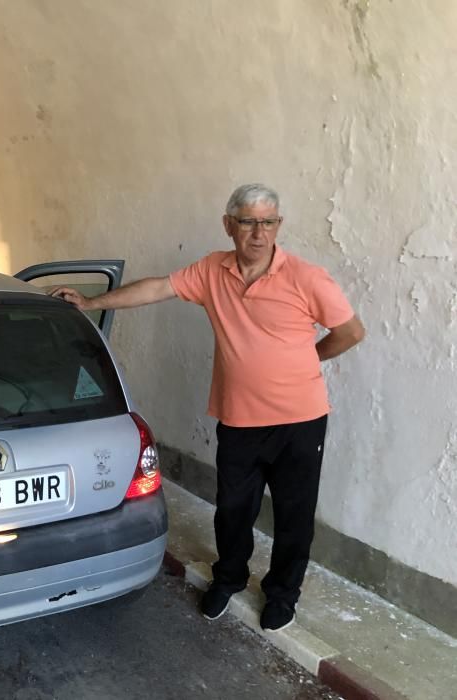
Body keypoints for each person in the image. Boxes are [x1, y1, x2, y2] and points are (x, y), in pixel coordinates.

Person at [50, 183, 365, 631]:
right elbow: (158, 288)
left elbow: (350, 332)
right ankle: (229, 577)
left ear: (279, 226)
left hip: (301, 421)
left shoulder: (307, 277)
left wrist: (305, 360)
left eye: (269, 222)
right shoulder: (213, 271)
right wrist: (92, 302)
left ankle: (282, 593)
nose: (259, 233)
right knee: (233, 508)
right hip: (238, 419)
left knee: (295, 514)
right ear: (229, 225)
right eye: (249, 222)